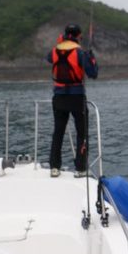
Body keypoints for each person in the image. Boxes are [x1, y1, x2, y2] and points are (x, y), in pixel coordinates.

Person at [48, 23, 98, 178]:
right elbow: (93, 73)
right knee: (81, 134)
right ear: (78, 36)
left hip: (59, 97)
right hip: (76, 98)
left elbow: (49, 58)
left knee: (58, 132)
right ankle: (81, 169)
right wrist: (91, 57)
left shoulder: (55, 51)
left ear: (65, 35)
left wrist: (61, 42)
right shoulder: (80, 53)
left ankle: (54, 167)